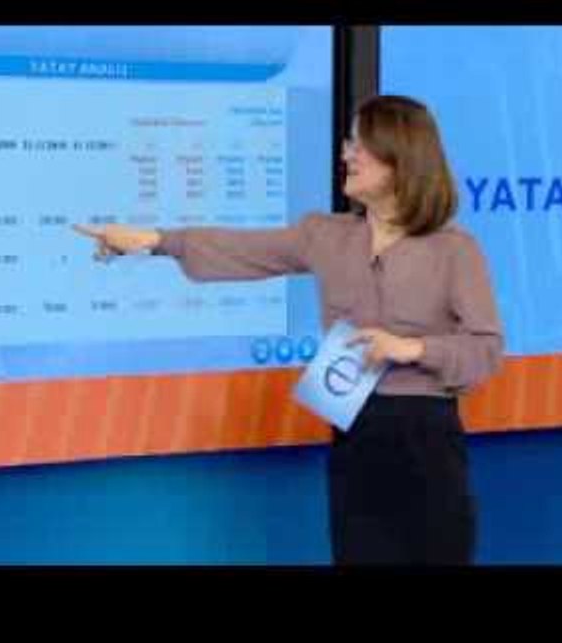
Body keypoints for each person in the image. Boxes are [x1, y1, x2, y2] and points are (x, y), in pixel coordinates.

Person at [74, 95, 504, 565]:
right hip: (356, 436)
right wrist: (155, 241)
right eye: (348, 143)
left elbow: (485, 350)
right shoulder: (326, 235)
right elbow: (243, 249)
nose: (346, 154)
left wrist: (413, 348)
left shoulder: (455, 249)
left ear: (399, 156)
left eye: (359, 145)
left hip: (427, 439)